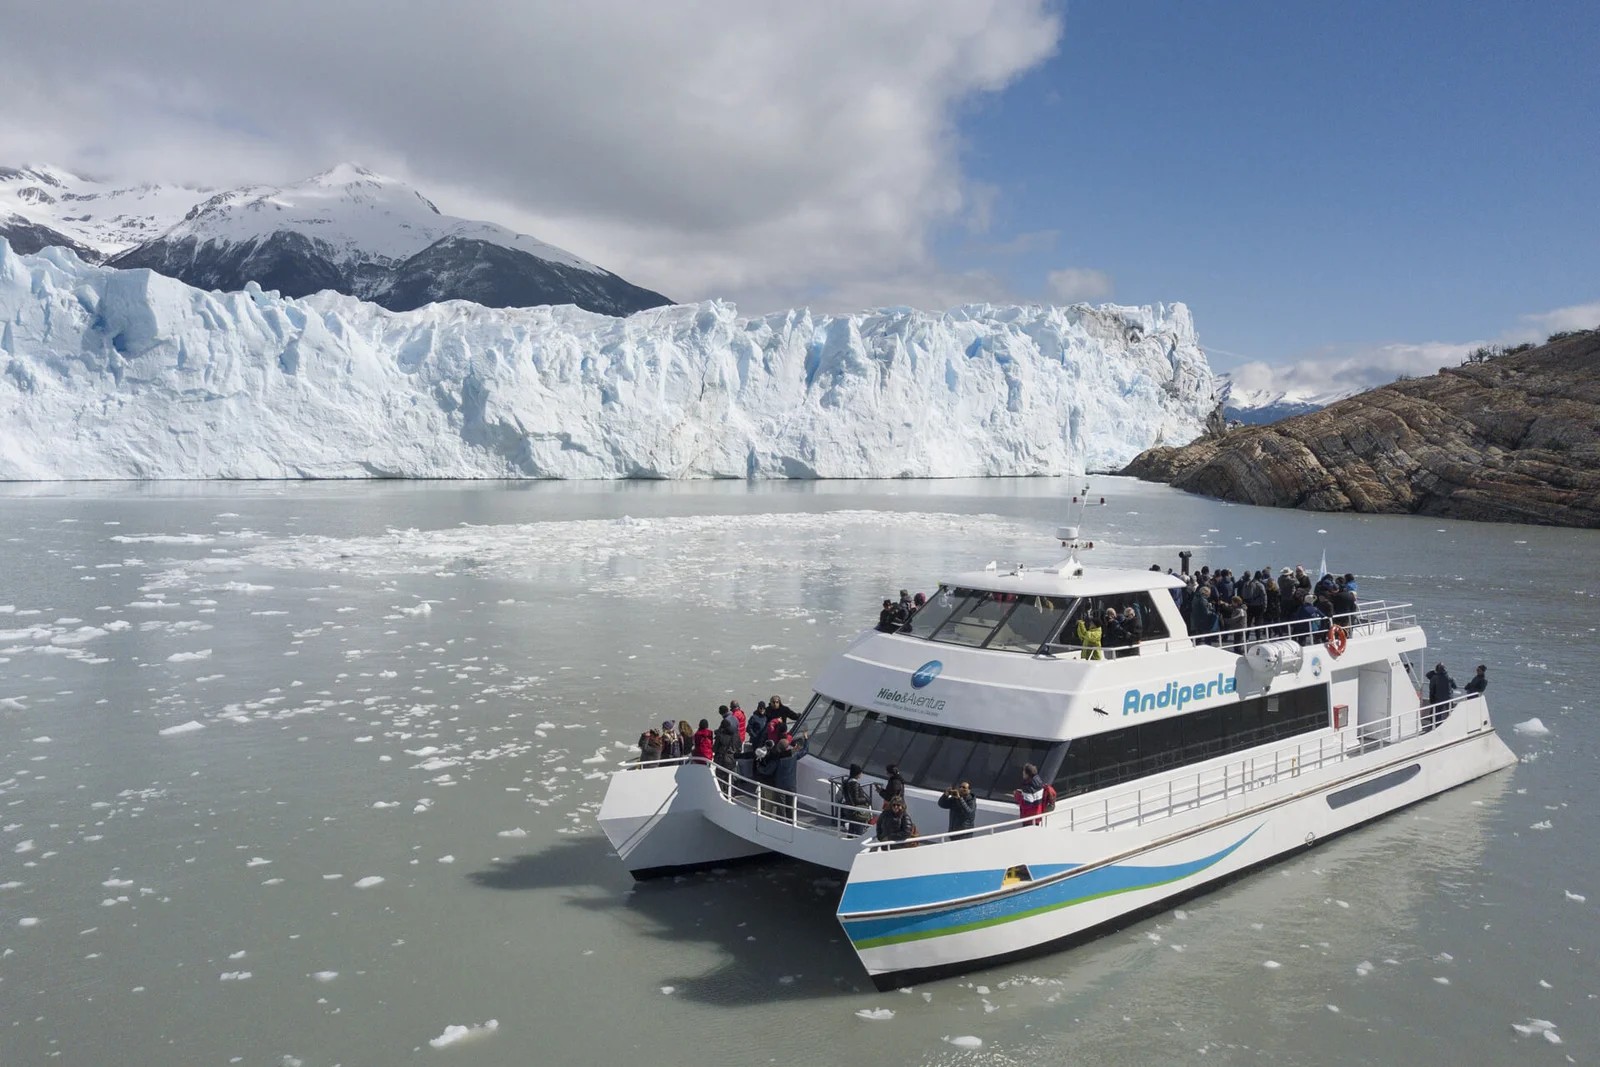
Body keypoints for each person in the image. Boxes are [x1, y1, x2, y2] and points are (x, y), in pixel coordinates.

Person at [837, 763, 873, 835]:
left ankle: (850, 840)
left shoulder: (846, 782)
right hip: (856, 811)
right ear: (857, 773)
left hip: (849, 809)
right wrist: (866, 800)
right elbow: (856, 800)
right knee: (859, 830)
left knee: (852, 829)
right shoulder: (854, 784)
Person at [1424, 662, 1456, 730]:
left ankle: (1436, 727)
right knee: (1449, 712)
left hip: (1439, 699)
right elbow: (1455, 686)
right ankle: (1450, 726)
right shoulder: (1449, 677)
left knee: (1437, 713)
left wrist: (1431, 698)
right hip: (1449, 698)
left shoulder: (1434, 678)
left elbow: (1431, 689)